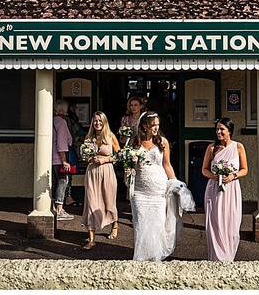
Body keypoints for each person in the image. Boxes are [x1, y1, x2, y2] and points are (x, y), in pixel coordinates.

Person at [129, 111, 195, 261]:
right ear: (144, 126)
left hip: (158, 189)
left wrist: (177, 184)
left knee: (157, 224)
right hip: (140, 191)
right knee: (141, 223)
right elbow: (129, 164)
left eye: (158, 125)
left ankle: (155, 256)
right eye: (153, 125)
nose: (156, 128)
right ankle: (141, 257)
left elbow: (167, 165)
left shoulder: (162, 142)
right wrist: (129, 163)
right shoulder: (135, 142)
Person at [201, 117, 247, 261]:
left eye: (222, 129)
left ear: (229, 131)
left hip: (231, 189)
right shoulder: (212, 148)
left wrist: (233, 176)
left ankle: (228, 257)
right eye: (217, 129)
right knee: (215, 223)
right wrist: (215, 177)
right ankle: (216, 257)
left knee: (231, 223)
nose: (219, 132)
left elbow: (245, 169)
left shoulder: (238, 147)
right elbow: (204, 170)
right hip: (214, 189)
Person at [80, 111, 120, 249]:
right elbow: (84, 156)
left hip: (107, 172)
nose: (97, 123)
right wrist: (88, 158)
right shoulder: (88, 138)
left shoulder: (110, 137)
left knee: (109, 202)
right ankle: (91, 239)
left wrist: (105, 159)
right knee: (91, 203)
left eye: (100, 121)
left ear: (104, 123)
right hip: (92, 173)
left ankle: (115, 224)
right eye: (95, 121)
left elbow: (119, 156)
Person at [51, 99, 74, 221]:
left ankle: (54, 208)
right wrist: (64, 161)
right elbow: (61, 144)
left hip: (51, 158)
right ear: (62, 110)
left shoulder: (52, 121)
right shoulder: (61, 123)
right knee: (62, 182)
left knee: (55, 183)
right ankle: (59, 210)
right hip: (59, 159)